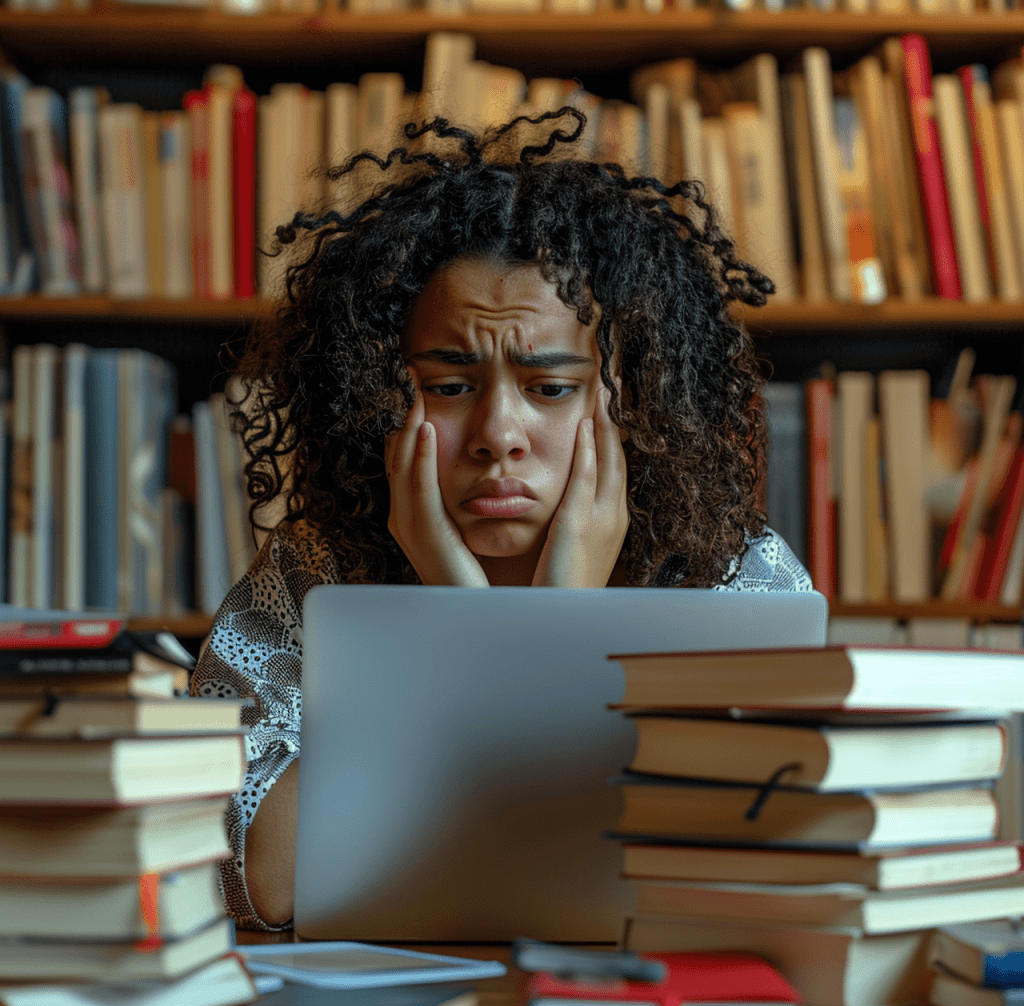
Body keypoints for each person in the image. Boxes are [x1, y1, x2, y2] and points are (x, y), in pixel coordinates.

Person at [189, 108, 814, 931]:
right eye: (448, 386)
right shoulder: (314, 574)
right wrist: (461, 623)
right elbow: (265, 880)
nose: (496, 436)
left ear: (632, 400)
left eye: (549, 388)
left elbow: (771, 862)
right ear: (380, 391)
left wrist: (559, 625)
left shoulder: (731, 576)